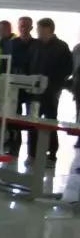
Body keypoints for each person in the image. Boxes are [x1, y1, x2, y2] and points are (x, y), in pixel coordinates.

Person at [28, 18, 72, 161]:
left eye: (41, 30)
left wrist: (55, 84)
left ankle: (52, 152)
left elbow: (68, 68)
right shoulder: (35, 45)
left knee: (50, 121)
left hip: (51, 91)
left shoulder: (61, 47)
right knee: (32, 121)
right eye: (38, 30)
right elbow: (30, 63)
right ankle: (32, 153)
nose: (39, 33)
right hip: (35, 90)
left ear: (50, 30)